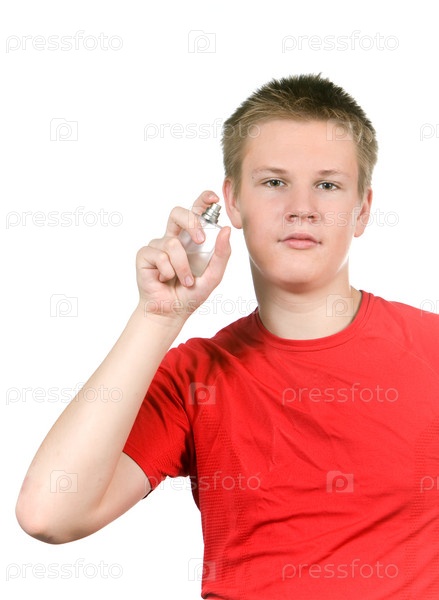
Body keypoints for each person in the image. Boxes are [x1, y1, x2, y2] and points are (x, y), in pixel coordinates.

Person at [16, 74, 439, 599]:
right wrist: (157, 317)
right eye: (274, 182)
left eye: (328, 185)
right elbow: (49, 514)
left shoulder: (432, 351)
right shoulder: (195, 376)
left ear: (363, 209)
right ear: (233, 201)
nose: (301, 206)